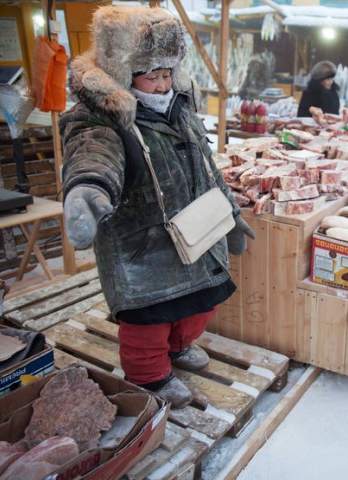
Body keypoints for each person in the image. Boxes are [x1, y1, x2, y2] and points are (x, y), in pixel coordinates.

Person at [60, 5, 254, 409]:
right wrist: (88, 189)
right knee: (149, 320)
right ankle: (151, 377)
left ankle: (179, 348)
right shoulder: (98, 116)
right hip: (142, 242)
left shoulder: (180, 105)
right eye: (153, 76)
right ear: (124, 74)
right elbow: (92, 153)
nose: (164, 84)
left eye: (168, 73)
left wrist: (231, 216)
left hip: (197, 231)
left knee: (199, 305)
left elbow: (206, 163)